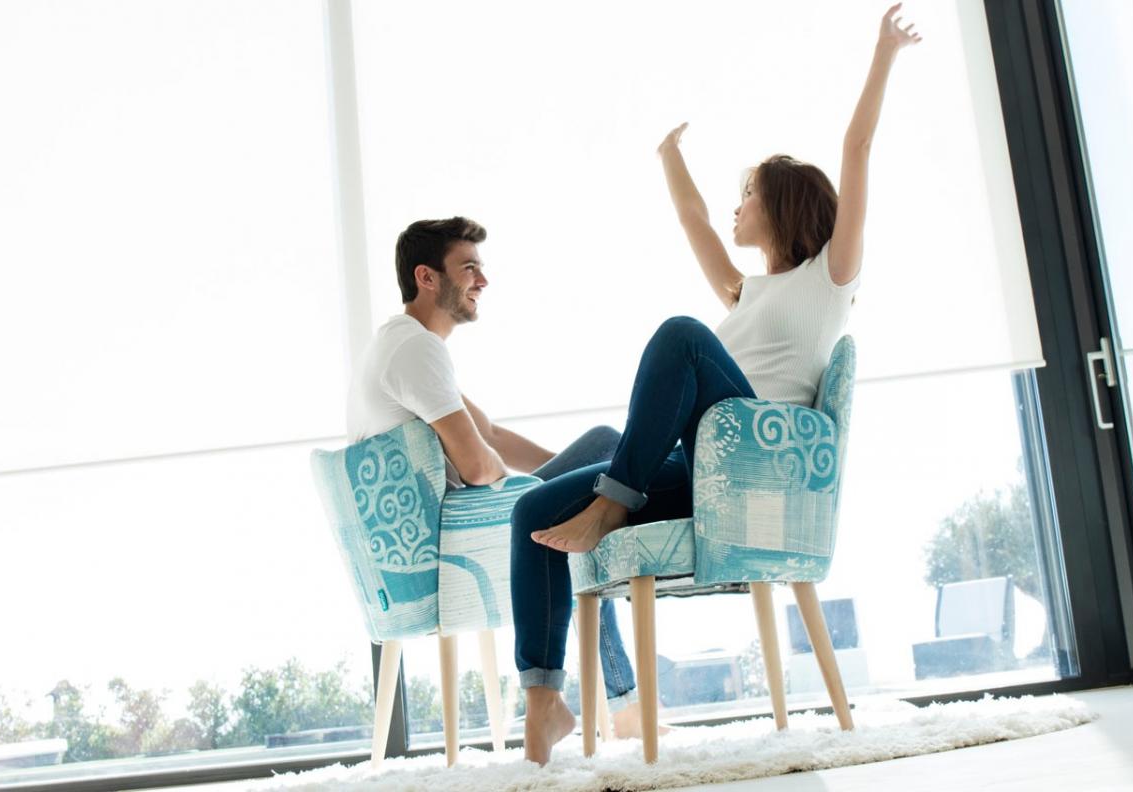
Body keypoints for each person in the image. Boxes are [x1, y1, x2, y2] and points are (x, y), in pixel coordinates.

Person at [511, 4, 922, 765]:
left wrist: (884, 52)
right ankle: (544, 701)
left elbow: (857, 148)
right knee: (533, 508)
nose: (737, 207)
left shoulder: (830, 278)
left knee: (680, 337)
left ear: (783, 204)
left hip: (756, 470)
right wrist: (668, 153)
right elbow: (695, 218)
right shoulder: (743, 293)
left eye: (750, 193)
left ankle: (614, 500)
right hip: (699, 470)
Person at [344, 216, 652, 739]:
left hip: (432, 535)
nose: (482, 281)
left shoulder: (400, 344)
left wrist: (575, 478)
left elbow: (487, 434)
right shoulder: (417, 350)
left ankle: (622, 708)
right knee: (603, 449)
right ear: (426, 277)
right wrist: (549, 496)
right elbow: (478, 465)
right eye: (469, 268)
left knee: (590, 490)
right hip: (455, 539)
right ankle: (625, 709)